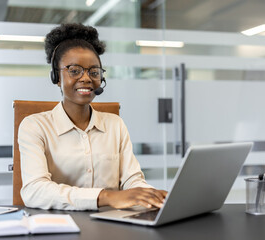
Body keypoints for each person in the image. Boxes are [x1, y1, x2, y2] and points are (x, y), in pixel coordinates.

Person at [18, 23, 167, 211]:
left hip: (112, 225)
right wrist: (105, 196)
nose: (86, 78)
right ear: (56, 77)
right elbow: (35, 191)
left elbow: (132, 180)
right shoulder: (35, 126)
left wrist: (154, 196)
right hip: (60, 225)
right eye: (74, 70)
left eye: (94, 72)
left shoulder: (115, 124)